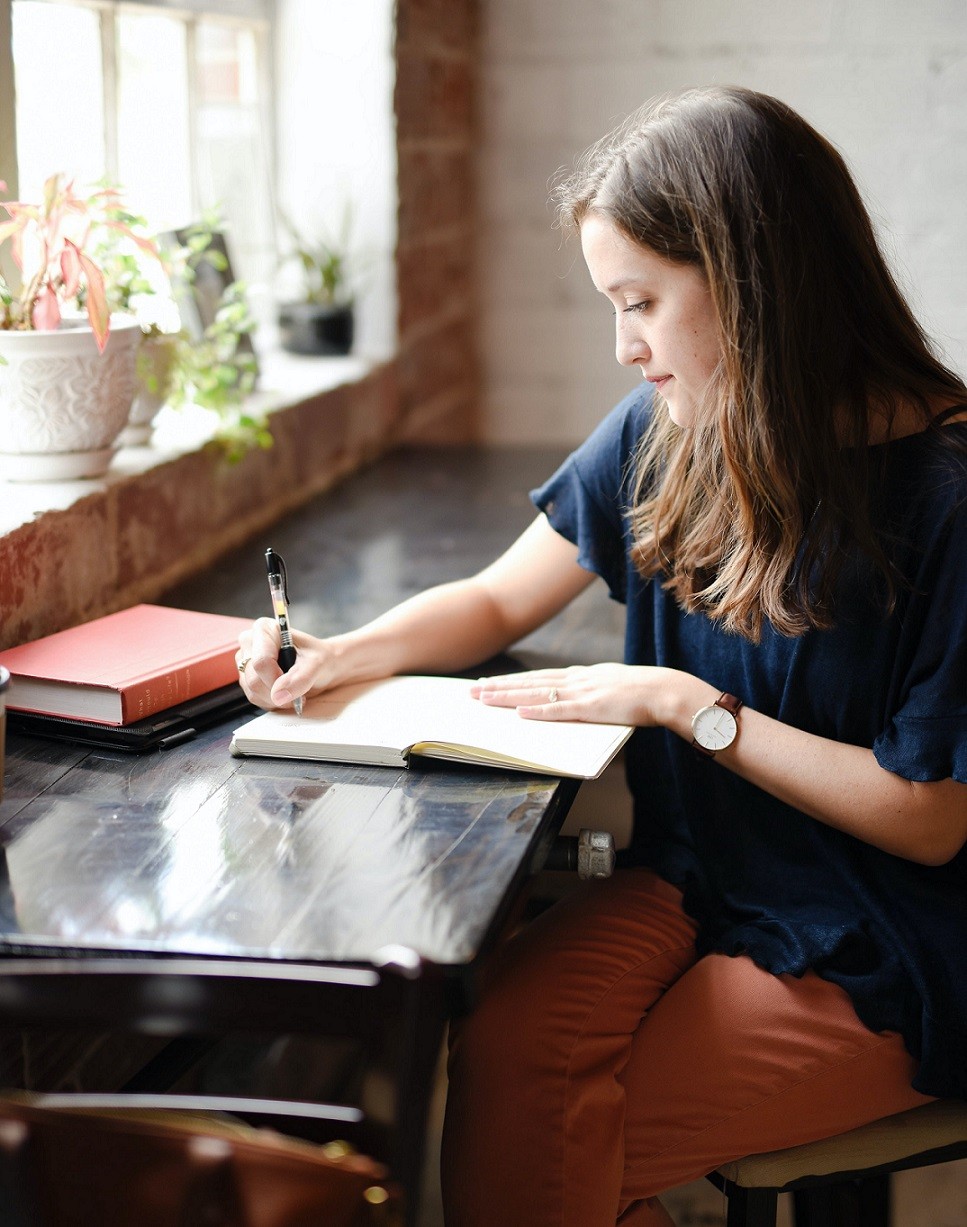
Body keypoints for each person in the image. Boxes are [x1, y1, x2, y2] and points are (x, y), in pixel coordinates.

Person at [236, 85, 967, 1226]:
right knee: (502, 1061)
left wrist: (688, 706)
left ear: (754, 281)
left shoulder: (948, 498)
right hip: (699, 877)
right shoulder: (669, 429)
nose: (623, 346)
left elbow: (930, 816)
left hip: (892, 932)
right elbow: (493, 596)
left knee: (550, 1149)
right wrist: (339, 654)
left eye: (639, 302)